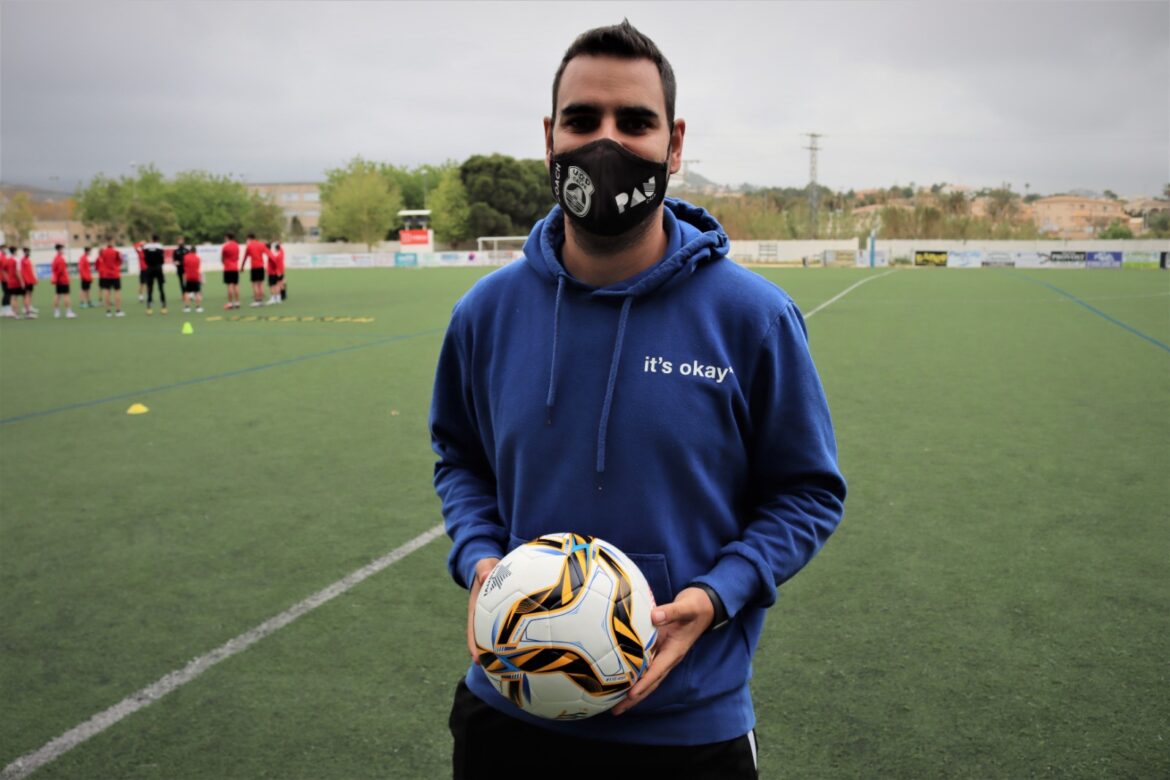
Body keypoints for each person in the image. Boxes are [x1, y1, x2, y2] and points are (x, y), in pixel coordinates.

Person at [430, 21, 846, 779]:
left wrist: (719, 594)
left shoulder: (752, 318)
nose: (607, 143)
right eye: (582, 121)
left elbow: (807, 493)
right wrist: (479, 554)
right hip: (506, 715)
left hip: (686, 729)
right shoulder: (485, 314)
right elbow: (459, 458)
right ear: (549, 140)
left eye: (636, 122)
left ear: (674, 143)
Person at [97, 240, 125, 317]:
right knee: (117, 292)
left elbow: (100, 259)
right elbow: (121, 261)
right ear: (112, 243)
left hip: (106, 275)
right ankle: (118, 311)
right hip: (115, 275)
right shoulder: (116, 252)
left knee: (107, 292)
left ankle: (108, 312)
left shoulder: (103, 252)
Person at [241, 233, 269, 307]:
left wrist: (242, 267)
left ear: (249, 238)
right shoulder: (261, 244)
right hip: (261, 267)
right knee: (261, 284)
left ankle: (257, 301)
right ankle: (261, 300)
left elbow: (245, 257)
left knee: (254, 284)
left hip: (254, 267)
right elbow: (268, 253)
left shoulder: (249, 246)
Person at [142, 235, 167, 314]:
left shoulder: (146, 247)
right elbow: (162, 259)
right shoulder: (160, 247)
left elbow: (144, 258)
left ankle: (149, 307)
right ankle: (163, 306)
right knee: (161, 287)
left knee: (150, 288)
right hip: (158, 268)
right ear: (157, 240)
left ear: (151, 239)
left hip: (149, 268)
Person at [50, 244, 77, 319]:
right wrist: (65, 278)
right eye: (62, 249)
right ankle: (68, 312)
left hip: (59, 280)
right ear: (59, 250)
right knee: (66, 295)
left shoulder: (55, 258)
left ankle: (56, 312)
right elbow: (61, 271)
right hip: (63, 280)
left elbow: (54, 270)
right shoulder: (60, 259)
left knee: (58, 295)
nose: (63, 251)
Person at [3, 246, 27, 319]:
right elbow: (17, 272)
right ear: (15, 251)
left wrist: (7, 278)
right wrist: (22, 281)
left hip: (10, 281)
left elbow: (3, 269)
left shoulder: (8, 260)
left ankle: (16, 314)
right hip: (17, 281)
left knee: (13, 297)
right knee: (25, 295)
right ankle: (27, 312)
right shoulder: (16, 260)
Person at [221, 232, 241, 310]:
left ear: (227, 237)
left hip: (228, 268)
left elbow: (222, 258)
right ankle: (237, 302)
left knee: (229, 285)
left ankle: (230, 303)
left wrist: (225, 263)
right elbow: (237, 257)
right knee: (236, 285)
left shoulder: (225, 247)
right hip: (235, 267)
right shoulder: (237, 246)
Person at [182, 246, 204, 313]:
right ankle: (198, 307)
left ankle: (187, 307)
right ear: (195, 251)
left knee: (186, 292)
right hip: (196, 277)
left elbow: (184, 267)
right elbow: (199, 268)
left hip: (188, 277)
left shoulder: (185, 257)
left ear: (190, 251)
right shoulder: (198, 258)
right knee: (197, 292)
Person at [19, 247, 38, 317]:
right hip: (26, 281)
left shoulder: (28, 260)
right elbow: (20, 271)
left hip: (30, 281)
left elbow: (31, 271)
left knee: (30, 294)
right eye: (27, 252)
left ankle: (29, 307)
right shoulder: (22, 260)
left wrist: (34, 279)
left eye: (29, 252)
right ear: (24, 252)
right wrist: (22, 281)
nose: (28, 253)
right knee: (26, 295)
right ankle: (26, 310)